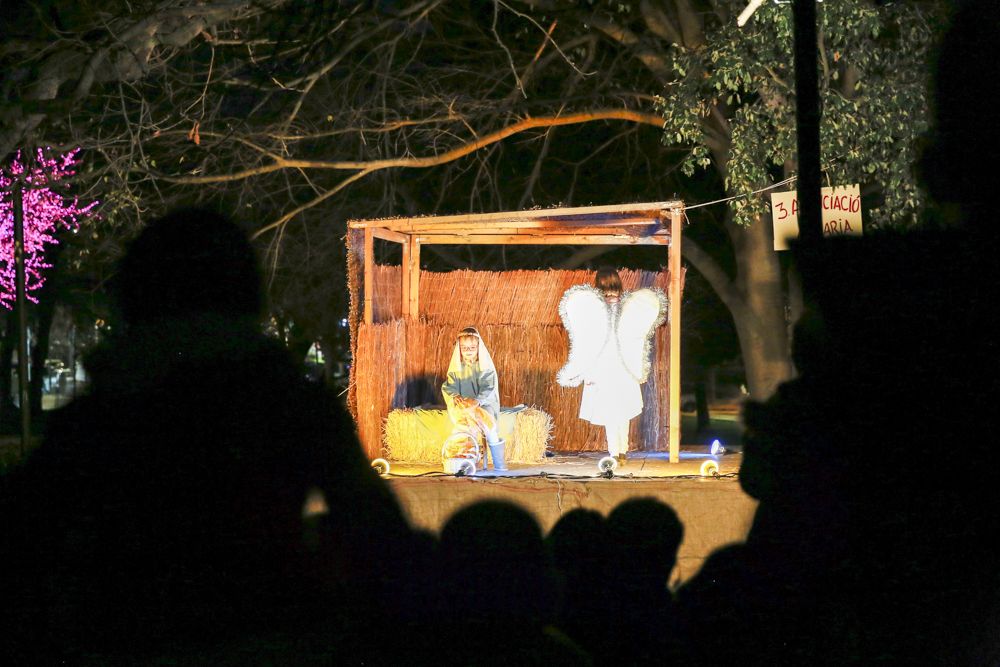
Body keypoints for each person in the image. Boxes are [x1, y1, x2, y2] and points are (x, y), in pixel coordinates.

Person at [557, 268, 666, 463]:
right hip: (619, 368)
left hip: (611, 368)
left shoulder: (604, 309)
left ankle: (617, 452)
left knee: (614, 412)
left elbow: (592, 343)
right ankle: (619, 451)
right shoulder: (621, 307)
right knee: (619, 411)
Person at [440, 326, 507, 471]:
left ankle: (499, 464)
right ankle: (463, 457)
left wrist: (477, 401)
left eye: (472, 347)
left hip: (483, 404)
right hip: (464, 406)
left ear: (478, 348)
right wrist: (455, 395)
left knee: (488, 426)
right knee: (462, 425)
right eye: (464, 348)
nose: (468, 351)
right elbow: (449, 386)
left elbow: (489, 387)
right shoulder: (457, 368)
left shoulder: (485, 367)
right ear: (459, 349)